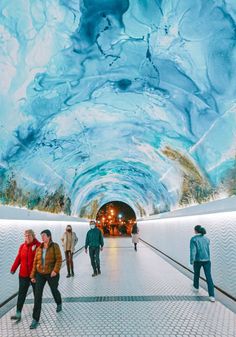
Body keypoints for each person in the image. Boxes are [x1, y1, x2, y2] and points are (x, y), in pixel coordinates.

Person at [29, 229, 62, 329]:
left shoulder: (55, 246)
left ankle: (59, 302)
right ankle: (35, 319)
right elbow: (35, 262)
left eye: (43, 235)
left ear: (49, 236)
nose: (42, 238)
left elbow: (59, 260)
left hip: (51, 274)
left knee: (54, 290)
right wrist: (32, 276)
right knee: (37, 296)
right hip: (40, 274)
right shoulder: (39, 248)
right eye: (41, 236)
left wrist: (55, 271)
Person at [10, 229, 40, 322]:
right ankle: (18, 313)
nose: (27, 237)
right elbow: (19, 258)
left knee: (37, 295)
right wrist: (13, 268)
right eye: (25, 235)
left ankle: (36, 316)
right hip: (23, 275)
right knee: (21, 294)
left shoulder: (38, 246)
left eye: (29, 235)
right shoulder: (22, 246)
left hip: (34, 275)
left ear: (33, 236)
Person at [190, 225, 215, 302]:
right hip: (207, 260)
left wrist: (192, 260)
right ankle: (212, 296)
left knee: (196, 274)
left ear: (196, 231)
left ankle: (196, 288)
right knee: (209, 277)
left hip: (198, 260)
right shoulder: (207, 239)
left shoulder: (193, 239)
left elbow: (193, 251)